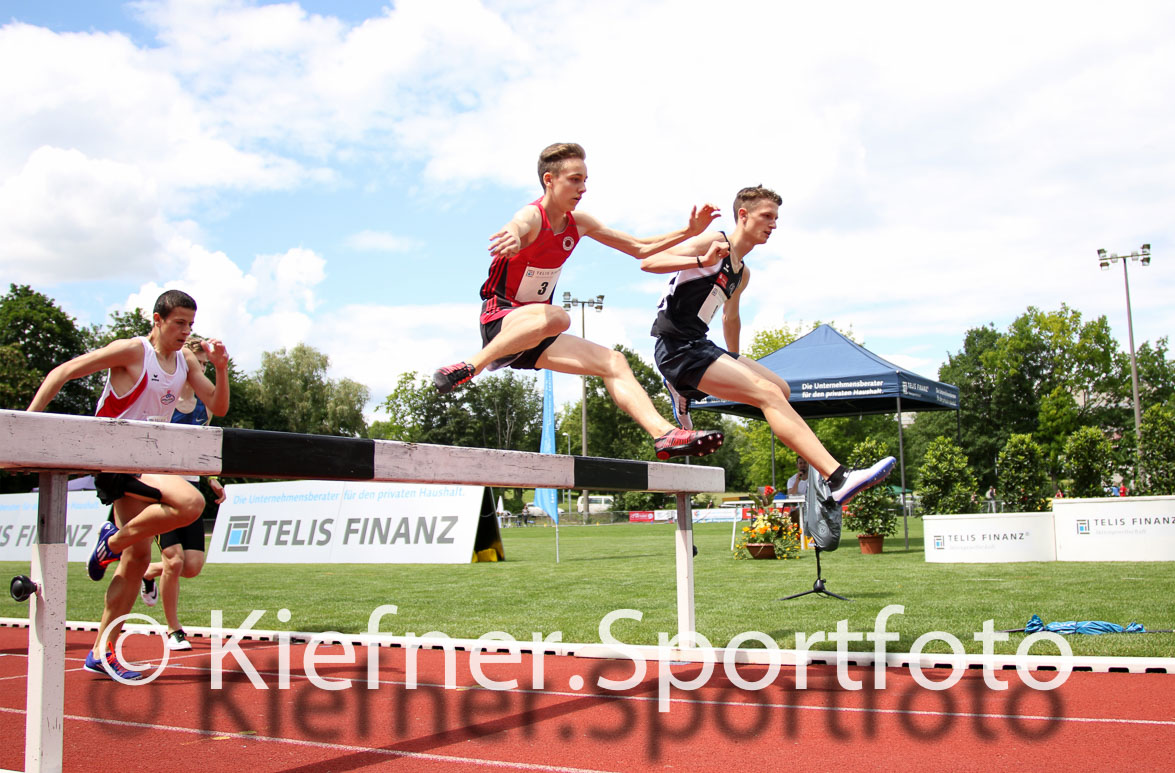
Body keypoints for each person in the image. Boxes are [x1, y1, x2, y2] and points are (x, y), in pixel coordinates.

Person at [433, 142, 726, 461]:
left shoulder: (579, 222)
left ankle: (664, 434)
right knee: (557, 317)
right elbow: (517, 224)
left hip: (535, 335)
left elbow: (639, 248)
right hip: (502, 322)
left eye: (585, 180)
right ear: (549, 179)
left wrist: (689, 231)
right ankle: (470, 366)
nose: (583, 188)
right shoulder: (533, 216)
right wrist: (514, 235)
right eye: (575, 179)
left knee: (614, 362)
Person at [645, 185, 894, 510]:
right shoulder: (714, 242)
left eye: (776, 218)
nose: (773, 224)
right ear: (743, 216)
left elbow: (730, 318)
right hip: (675, 345)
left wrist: (733, 360)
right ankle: (838, 477)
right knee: (767, 394)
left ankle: (685, 389)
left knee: (780, 389)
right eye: (766, 216)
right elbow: (649, 261)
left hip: (701, 344)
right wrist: (700, 259)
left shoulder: (741, 272)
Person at [27, 290, 230, 680]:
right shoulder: (132, 351)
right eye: (179, 324)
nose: (186, 332)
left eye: (190, 324)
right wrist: (22, 427)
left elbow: (218, 407)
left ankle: (101, 650)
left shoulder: (186, 361)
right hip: (114, 458)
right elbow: (63, 372)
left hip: (149, 461)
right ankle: (112, 541)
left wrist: (220, 368)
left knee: (137, 561)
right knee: (190, 502)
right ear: (157, 320)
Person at [138, 336, 226, 651]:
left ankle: (148, 573)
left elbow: (201, 449)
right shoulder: (165, 397)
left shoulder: (204, 406)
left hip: (192, 489)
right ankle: (174, 629)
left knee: (191, 567)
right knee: (174, 561)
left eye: (203, 366)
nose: (198, 370)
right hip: (162, 488)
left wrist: (212, 478)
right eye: (195, 364)